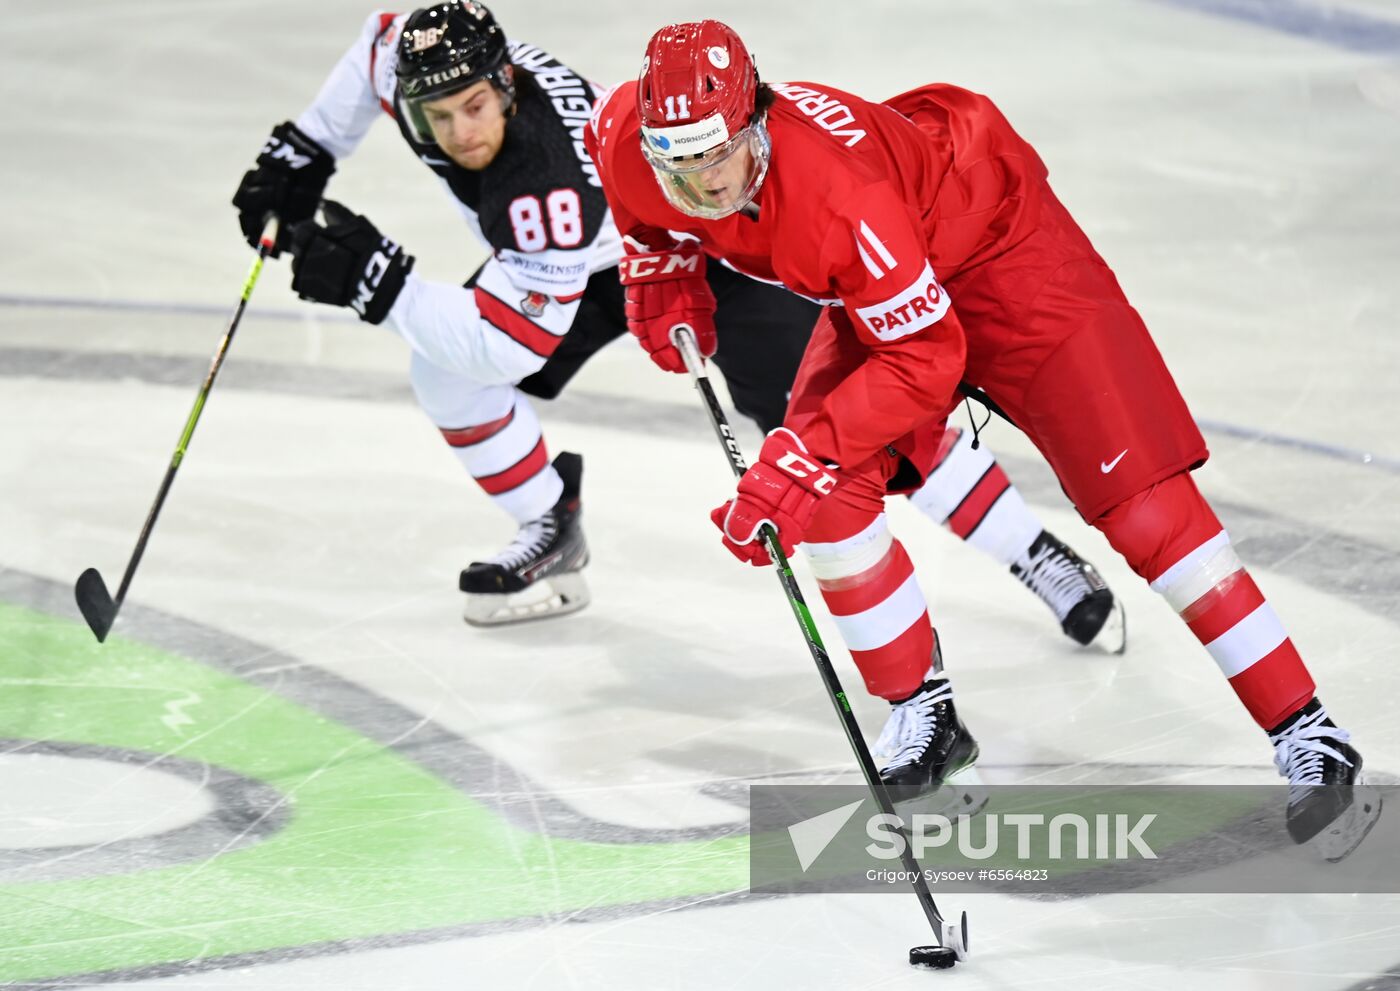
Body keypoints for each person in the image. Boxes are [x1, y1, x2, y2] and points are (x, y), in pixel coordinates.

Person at [585, 20, 1379, 857]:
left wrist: (803, 449)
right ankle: (924, 715)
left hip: (999, 245)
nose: (700, 185)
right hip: (893, 263)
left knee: (1143, 506)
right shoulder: (631, 144)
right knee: (829, 500)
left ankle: (1308, 728)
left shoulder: (835, 198)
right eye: (676, 161)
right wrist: (659, 272)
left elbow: (927, 358)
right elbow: (645, 215)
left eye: (716, 158)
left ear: (755, 125)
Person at [230, 1, 1124, 652]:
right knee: (445, 374)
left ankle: (1031, 550)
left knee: (858, 419)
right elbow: (375, 44)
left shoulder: (549, 181)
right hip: (574, 268)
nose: (464, 131)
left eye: (478, 106)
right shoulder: (406, 61)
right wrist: (301, 153)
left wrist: (379, 287)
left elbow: (514, 342)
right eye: (442, 115)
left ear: (505, 86)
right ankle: (549, 520)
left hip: (697, 247)